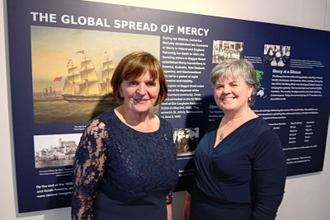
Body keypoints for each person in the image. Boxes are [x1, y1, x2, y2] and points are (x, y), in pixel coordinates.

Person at [71, 51, 178, 220]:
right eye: (133, 83)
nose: (142, 91)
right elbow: (82, 200)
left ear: (160, 88)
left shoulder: (165, 128)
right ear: (120, 88)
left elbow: (166, 194)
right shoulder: (100, 130)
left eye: (150, 83)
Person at [184, 59, 287, 220]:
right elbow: (202, 169)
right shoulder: (213, 126)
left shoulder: (264, 137)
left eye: (233, 84)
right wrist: (189, 197)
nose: (226, 91)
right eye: (219, 86)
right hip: (199, 211)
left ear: (250, 88)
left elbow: (269, 200)